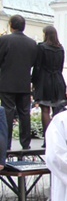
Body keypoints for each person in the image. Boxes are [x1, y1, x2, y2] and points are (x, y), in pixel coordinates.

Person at [0, 14, 38, 150]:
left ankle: (7, 143)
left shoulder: (4, 40)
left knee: (7, 113)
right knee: (24, 113)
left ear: (11, 25)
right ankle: (25, 143)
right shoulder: (32, 43)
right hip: (24, 83)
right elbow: (34, 62)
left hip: (6, 83)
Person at [31, 26, 67, 139]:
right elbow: (61, 66)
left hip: (44, 80)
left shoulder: (41, 47)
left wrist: (34, 81)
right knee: (57, 110)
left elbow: (37, 66)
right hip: (58, 79)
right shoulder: (60, 48)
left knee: (45, 110)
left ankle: (48, 138)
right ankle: (57, 137)